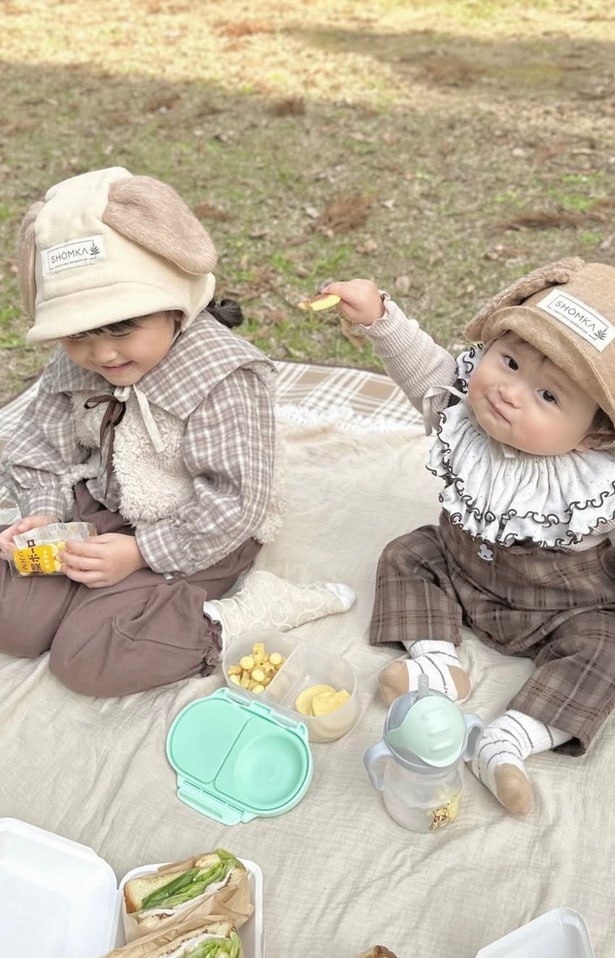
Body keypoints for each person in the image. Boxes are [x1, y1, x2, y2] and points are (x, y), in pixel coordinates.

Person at [0, 167, 354, 697]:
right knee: (14, 621)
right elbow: (39, 442)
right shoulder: (82, 362)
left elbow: (235, 503)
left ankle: (239, 614)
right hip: (105, 503)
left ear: (176, 304)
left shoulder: (223, 378)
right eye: (76, 335)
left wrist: (140, 553)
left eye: (122, 328)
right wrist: (46, 512)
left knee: (88, 657)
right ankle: (87, 592)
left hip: (199, 528)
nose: (101, 354)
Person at [324, 259, 615, 815]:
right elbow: (420, 367)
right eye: (508, 361)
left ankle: (510, 739)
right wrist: (378, 316)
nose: (510, 392)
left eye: (549, 397)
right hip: (463, 572)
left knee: (608, 648)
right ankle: (437, 661)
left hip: (563, 607)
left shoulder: (598, 485)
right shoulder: (461, 415)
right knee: (408, 553)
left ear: (595, 432)